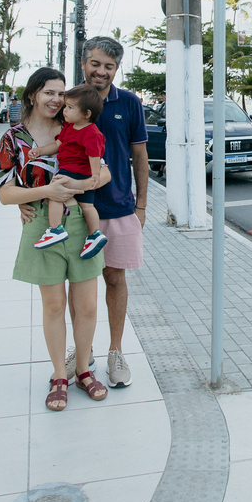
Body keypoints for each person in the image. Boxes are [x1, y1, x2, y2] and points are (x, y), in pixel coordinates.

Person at [0, 67, 111, 411]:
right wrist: (45, 192)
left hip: (81, 223)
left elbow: (103, 172)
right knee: (54, 305)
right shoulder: (14, 139)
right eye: (49, 92)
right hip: (43, 223)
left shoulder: (75, 125)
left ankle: (83, 370)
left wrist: (78, 186)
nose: (57, 100)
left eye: (61, 93)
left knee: (87, 305)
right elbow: (4, 192)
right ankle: (60, 375)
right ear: (33, 95)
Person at [70, 37, 149, 387]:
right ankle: (82, 351)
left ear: (116, 69)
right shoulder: (69, 101)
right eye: (95, 64)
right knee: (79, 285)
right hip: (76, 209)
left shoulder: (129, 103)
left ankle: (115, 351)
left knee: (115, 279)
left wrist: (141, 205)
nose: (101, 71)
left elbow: (140, 158)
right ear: (83, 63)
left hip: (118, 209)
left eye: (109, 66)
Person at [28, 84, 110, 259]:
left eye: (70, 107)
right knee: (87, 206)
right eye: (66, 106)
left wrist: (96, 174)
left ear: (86, 114)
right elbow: (57, 145)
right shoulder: (69, 128)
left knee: (55, 196)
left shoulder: (91, 132)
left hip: (72, 171)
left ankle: (55, 229)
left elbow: (94, 155)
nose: (64, 110)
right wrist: (40, 151)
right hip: (82, 174)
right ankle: (94, 234)